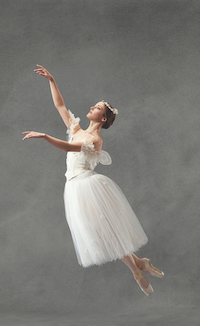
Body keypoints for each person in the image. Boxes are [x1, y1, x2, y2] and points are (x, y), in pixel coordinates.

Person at [22, 65, 164, 296]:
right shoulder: (76, 128)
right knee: (100, 232)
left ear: (104, 117)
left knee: (106, 230)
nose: (91, 107)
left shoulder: (95, 139)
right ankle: (138, 264)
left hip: (88, 186)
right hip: (74, 188)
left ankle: (137, 268)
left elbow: (69, 147)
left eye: (97, 107)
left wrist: (45, 136)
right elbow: (60, 105)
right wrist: (52, 80)